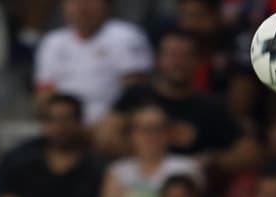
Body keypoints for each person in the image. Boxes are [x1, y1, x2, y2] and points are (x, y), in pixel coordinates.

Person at [103, 28, 258, 173]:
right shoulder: (137, 95)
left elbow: (250, 152)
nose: (178, 62)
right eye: (172, 55)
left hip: (189, 189)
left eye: (185, 56)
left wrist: (212, 161)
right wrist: (143, 158)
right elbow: (106, 135)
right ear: (159, 59)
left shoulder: (210, 107)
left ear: (197, 61)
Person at [34, 0, 154, 124]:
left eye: (89, 1)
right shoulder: (52, 41)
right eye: (74, 2)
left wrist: (115, 119)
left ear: (106, 5)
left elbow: (135, 90)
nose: (82, 7)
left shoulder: (126, 36)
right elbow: (45, 93)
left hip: (112, 122)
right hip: (67, 123)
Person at [94, 102, 203, 197]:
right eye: (143, 129)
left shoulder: (185, 168)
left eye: (157, 129)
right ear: (131, 135)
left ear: (169, 133)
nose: (151, 135)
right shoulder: (117, 170)